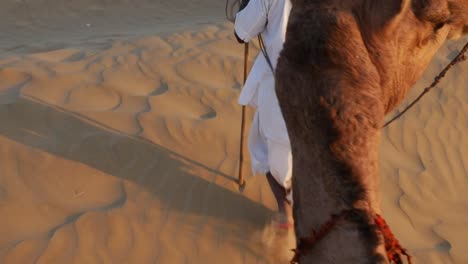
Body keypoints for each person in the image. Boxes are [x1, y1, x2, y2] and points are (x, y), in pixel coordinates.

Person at [234, 0, 293, 228]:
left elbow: (242, 33)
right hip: (328, 84)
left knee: (264, 150)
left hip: (283, 83)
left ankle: (287, 214)